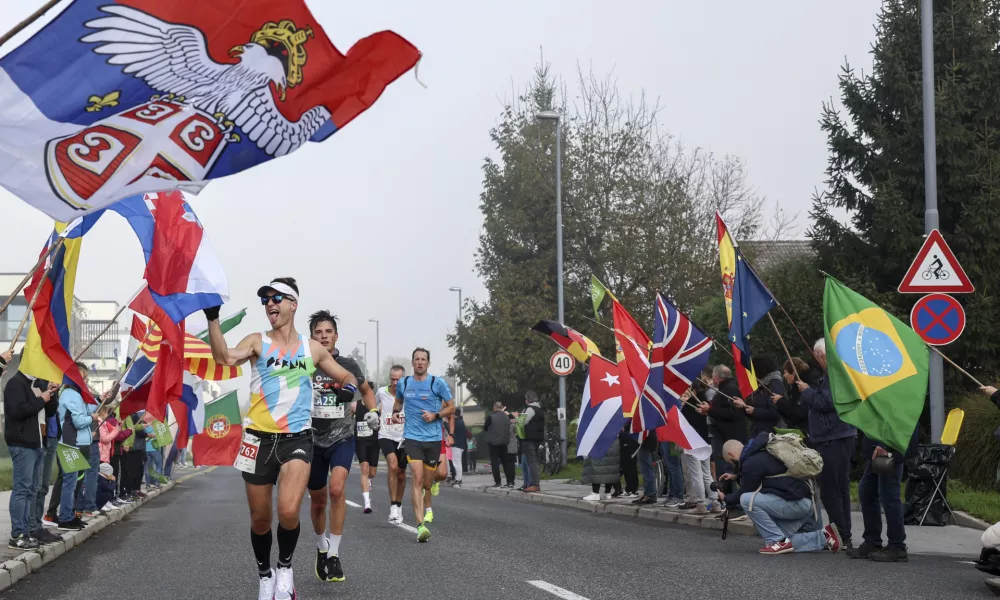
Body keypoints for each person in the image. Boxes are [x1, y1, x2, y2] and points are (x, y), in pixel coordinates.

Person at [205, 279, 368, 600]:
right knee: (261, 518)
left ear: (293, 304)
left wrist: (349, 386)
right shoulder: (256, 341)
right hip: (258, 439)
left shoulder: (312, 348)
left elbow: (346, 374)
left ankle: (285, 568)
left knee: (289, 511)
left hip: (297, 438)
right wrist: (213, 320)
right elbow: (224, 356)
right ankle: (265, 575)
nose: (270, 304)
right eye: (266, 300)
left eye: (277, 298)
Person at [301, 309, 377, 584]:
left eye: (328, 332)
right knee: (318, 499)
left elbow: (366, 390)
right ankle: (321, 548)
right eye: (318, 333)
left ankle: (333, 555)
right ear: (312, 338)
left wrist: (374, 411)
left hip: (343, 436)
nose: (323, 337)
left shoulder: (348, 364)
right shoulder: (304, 364)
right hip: (311, 440)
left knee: (336, 489)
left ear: (336, 336)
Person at [720, 435, 841, 555]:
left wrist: (726, 499)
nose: (732, 466)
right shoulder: (761, 451)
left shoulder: (750, 463)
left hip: (797, 505)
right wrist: (737, 476)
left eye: (730, 463)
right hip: (805, 502)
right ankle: (825, 536)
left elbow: (746, 490)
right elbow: (764, 472)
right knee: (779, 541)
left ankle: (778, 541)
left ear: (731, 455)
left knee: (746, 499)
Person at [798, 338, 857, 549]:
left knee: (831, 489)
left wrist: (806, 392)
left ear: (821, 354)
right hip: (838, 435)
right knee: (839, 487)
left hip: (832, 437)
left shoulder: (834, 373)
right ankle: (844, 533)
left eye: (817, 356)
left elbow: (826, 402)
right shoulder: (835, 372)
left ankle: (841, 534)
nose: (817, 361)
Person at [392, 347, 455, 543]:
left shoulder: (437, 383)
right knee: (416, 479)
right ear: (412, 363)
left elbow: (452, 407)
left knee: (428, 482)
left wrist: (435, 415)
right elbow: (398, 402)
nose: (420, 362)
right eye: (417, 359)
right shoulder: (404, 382)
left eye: (423, 359)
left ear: (428, 363)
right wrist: (395, 413)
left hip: (433, 439)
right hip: (412, 438)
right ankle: (420, 525)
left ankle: (432, 483)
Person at [4, 370, 58, 549]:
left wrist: (51, 393)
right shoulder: (16, 383)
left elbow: (50, 412)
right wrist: (41, 399)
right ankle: (17, 534)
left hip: (37, 442)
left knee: (31, 490)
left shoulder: (38, 383)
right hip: (22, 443)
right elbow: (17, 411)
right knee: (22, 489)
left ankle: (27, 531)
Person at [846, 430, 916, 562]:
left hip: (890, 445)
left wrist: (885, 445)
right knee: (867, 491)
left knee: (889, 495)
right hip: (882, 444)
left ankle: (897, 546)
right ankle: (873, 542)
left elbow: (895, 418)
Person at [56, 363, 99, 531]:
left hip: (77, 444)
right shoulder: (71, 394)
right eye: (84, 378)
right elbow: (79, 421)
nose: (86, 381)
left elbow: (89, 409)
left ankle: (72, 515)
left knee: (76, 483)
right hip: (70, 444)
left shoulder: (76, 395)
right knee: (70, 482)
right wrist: (92, 418)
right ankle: (65, 518)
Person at [697, 365, 746, 476]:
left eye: (714, 376)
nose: (713, 379)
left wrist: (710, 409)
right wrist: (708, 410)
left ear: (717, 377)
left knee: (726, 468)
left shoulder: (730, 389)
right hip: (722, 434)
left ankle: (726, 491)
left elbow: (733, 413)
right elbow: (720, 409)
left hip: (728, 436)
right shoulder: (724, 389)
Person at [676, 384, 715, 514]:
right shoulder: (706, 401)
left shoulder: (691, 404)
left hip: (693, 442)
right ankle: (715, 502)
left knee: (696, 474)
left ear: (692, 390)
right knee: (706, 473)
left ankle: (701, 504)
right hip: (706, 441)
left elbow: (682, 421)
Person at [377, 365, 407, 524]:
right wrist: (373, 414)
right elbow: (372, 405)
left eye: (398, 379)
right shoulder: (381, 392)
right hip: (385, 435)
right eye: (392, 379)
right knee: (393, 466)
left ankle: (399, 504)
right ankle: (393, 505)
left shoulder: (409, 393)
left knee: (401, 473)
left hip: (403, 437)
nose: (395, 383)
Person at [735, 356, 782, 438]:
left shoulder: (773, 385)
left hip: (770, 434)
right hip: (759, 432)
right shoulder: (762, 385)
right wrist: (744, 406)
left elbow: (775, 412)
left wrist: (754, 411)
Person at [775, 358, 816, 436]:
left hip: (807, 434)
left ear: (793, 374)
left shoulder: (803, 388)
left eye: (785, 372)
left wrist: (782, 402)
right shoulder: (794, 388)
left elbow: (800, 413)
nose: (784, 376)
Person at [354, 395, 379, 514]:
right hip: (360, 441)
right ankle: (367, 503)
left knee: (372, 473)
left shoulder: (377, 406)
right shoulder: (355, 405)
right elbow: (348, 421)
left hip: (374, 442)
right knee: (364, 468)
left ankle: (369, 480)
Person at [484, 402, 515, 488]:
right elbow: (512, 420)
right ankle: (510, 481)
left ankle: (498, 481)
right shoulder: (507, 417)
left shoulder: (491, 417)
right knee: (505, 462)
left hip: (493, 443)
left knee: (495, 463)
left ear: (494, 407)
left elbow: (485, 427)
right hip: (504, 443)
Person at [518, 391, 544, 492]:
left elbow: (521, 422)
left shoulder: (530, 409)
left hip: (529, 438)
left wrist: (517, 416)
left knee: (531, 462)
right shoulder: (539, 409)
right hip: (537, 438)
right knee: (535, 462)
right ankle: (535, 483)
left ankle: (534, 484)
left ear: (527, 400)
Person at [632, 429, 659, 505]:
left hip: (645, 442)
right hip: (649, 441)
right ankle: (648, 493)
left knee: (647, 471)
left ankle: (651, 495)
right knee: (646, 470)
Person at [619, 424, 639, 497]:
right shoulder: (634, 435)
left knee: (628, 472)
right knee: (632, 471)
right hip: (633, 454)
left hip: (626, 455)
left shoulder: (623, 435)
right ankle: (633, 490)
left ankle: (631, 490)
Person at [450, 408, 468, 488]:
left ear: (454, 414)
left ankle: (458, 479)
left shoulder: (457, 422)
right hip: (460, 444)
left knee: (456, 462)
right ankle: (458, 478)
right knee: (457, 462)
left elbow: (452, 431)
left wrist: (446, 423)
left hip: (457, 444)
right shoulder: (460, 421)